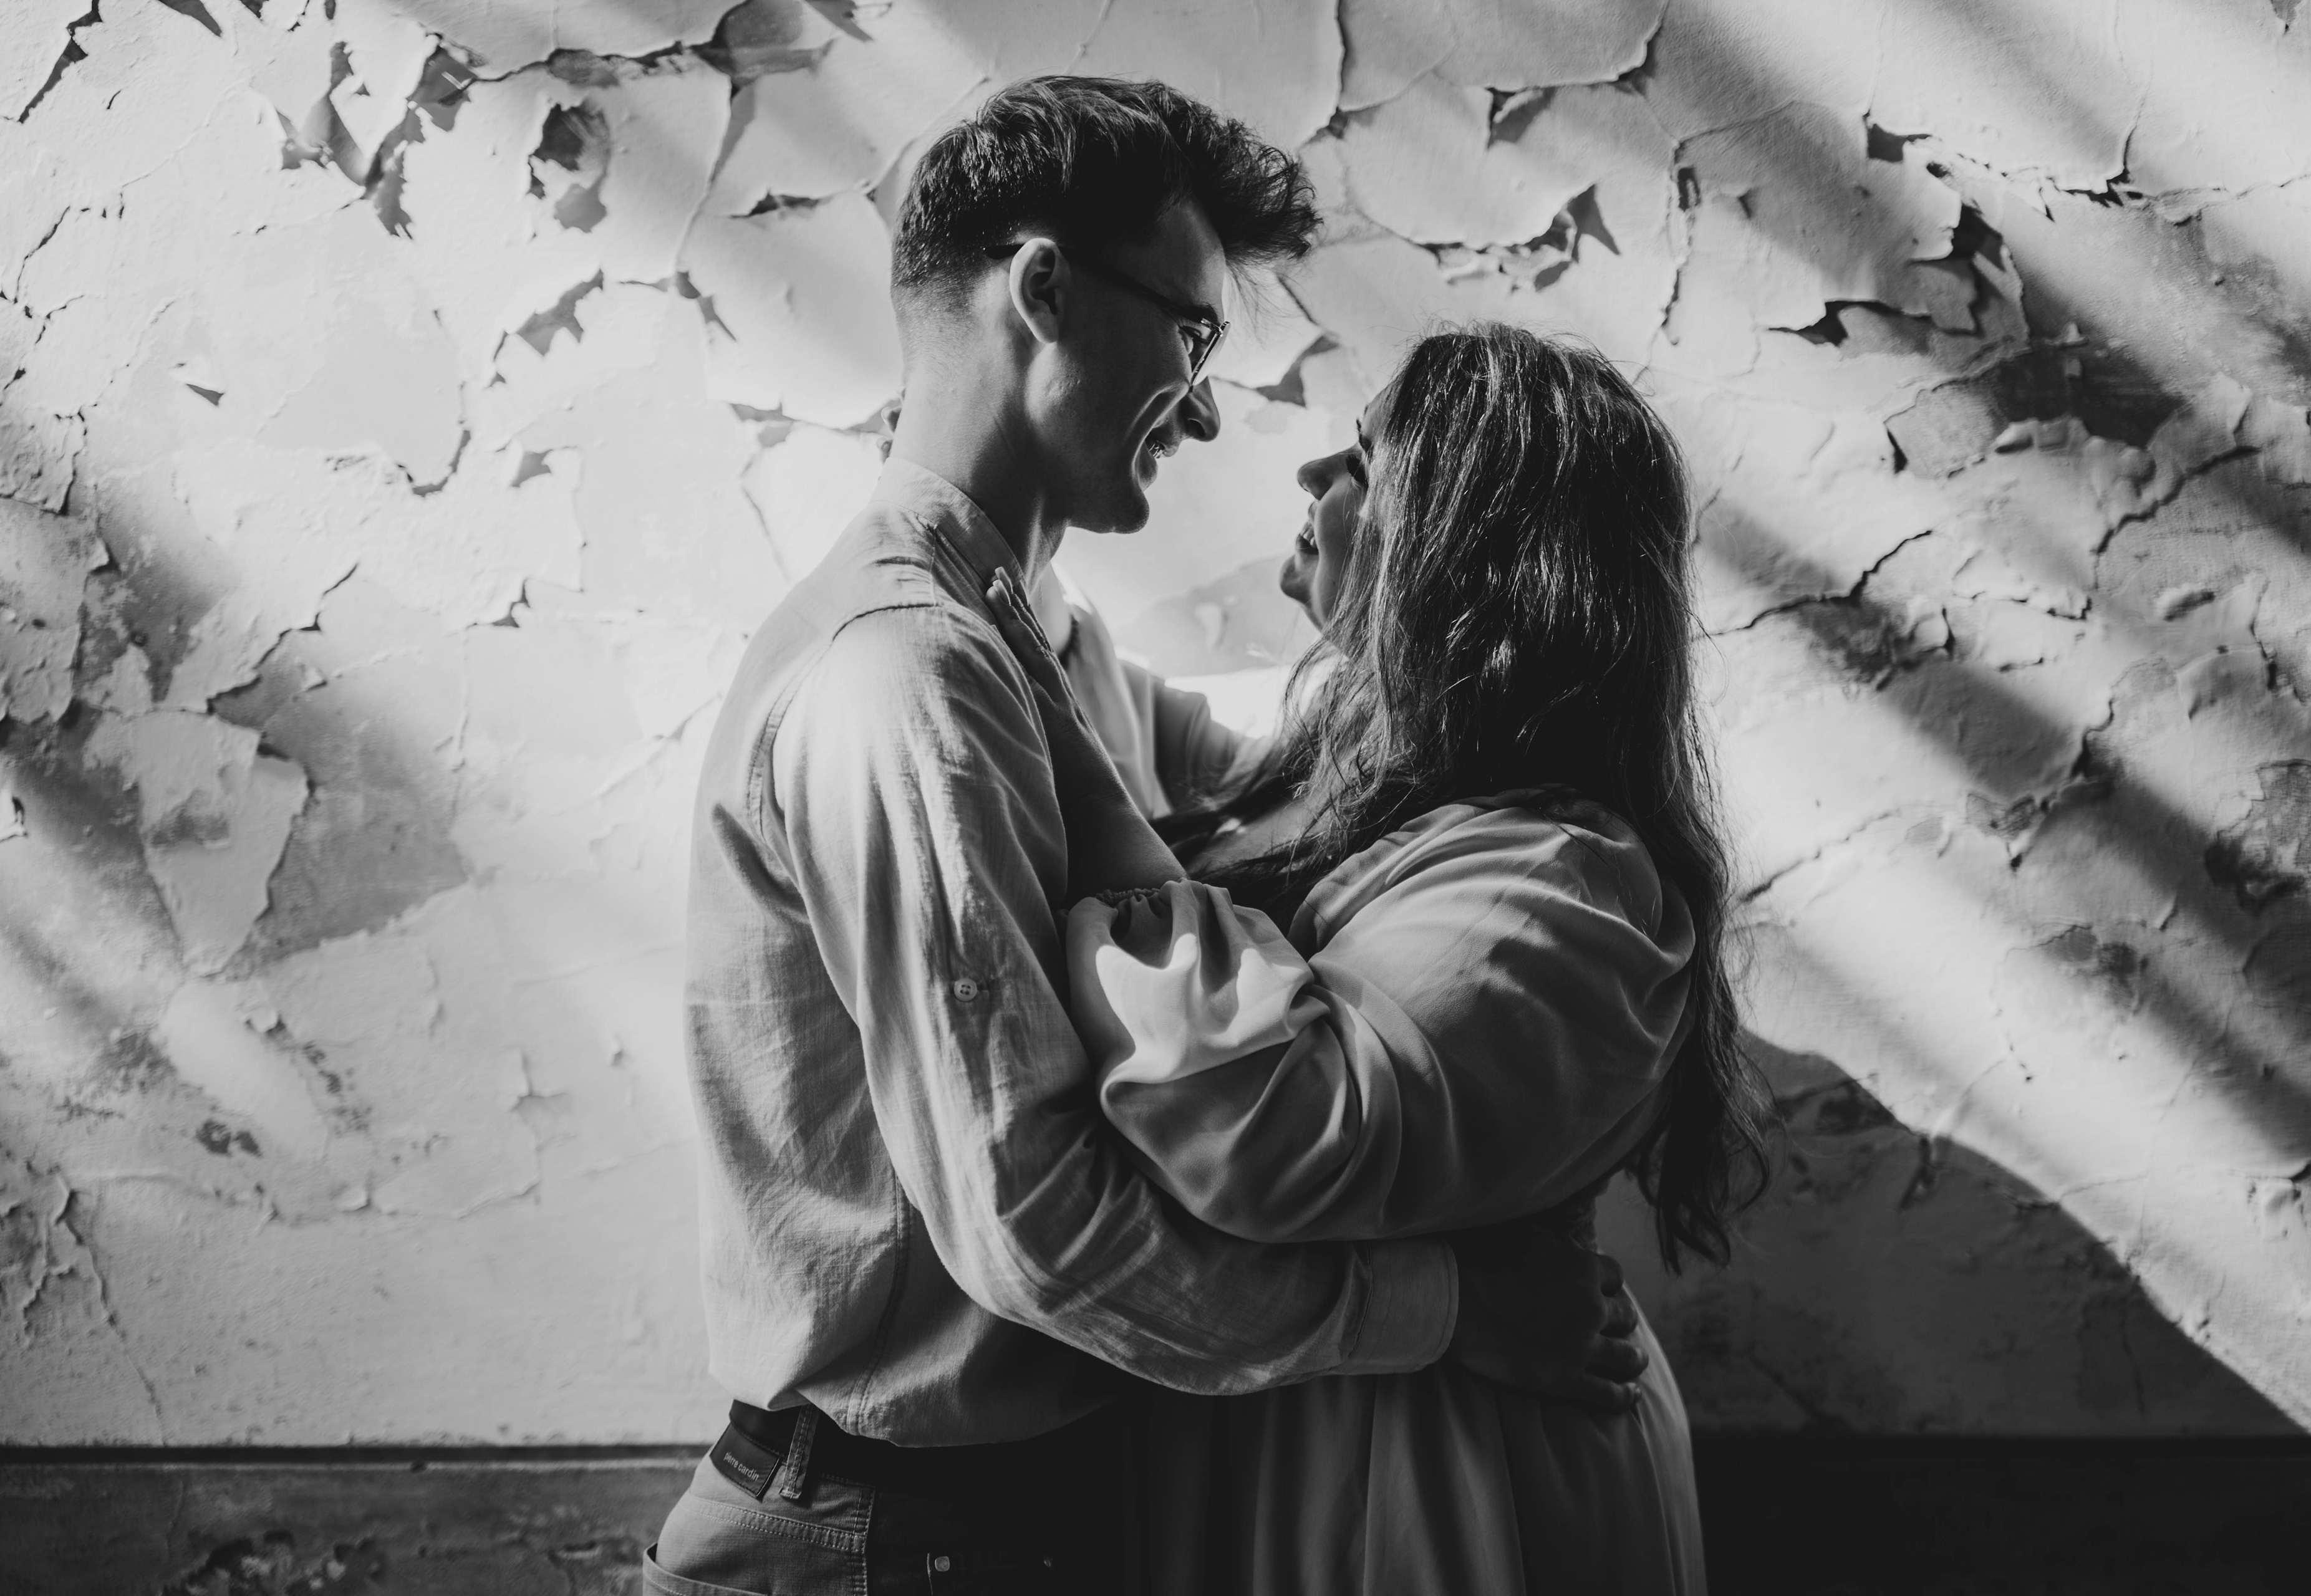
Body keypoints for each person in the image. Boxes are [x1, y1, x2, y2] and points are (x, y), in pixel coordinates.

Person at [647, 80, 1647, 1596]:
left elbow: (1296, 802)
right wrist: (1443, 1308)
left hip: (1008, 1515)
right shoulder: (905, 677)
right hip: (891, 1534)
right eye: (1191, 334)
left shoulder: (1043, 647)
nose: (1207, 405)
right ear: (1044, 291)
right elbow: (1034, 1226)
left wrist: (1464, 620)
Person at [985, 322, 1770, 1595]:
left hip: (1442, 1482)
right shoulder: (1363, 779)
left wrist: (1068, 767)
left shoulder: (1567, 887)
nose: (1312, 476)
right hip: (1327, 1442)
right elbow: (1130, 739)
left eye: (1363, 457)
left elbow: (1275, 1127)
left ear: (1467, 548)